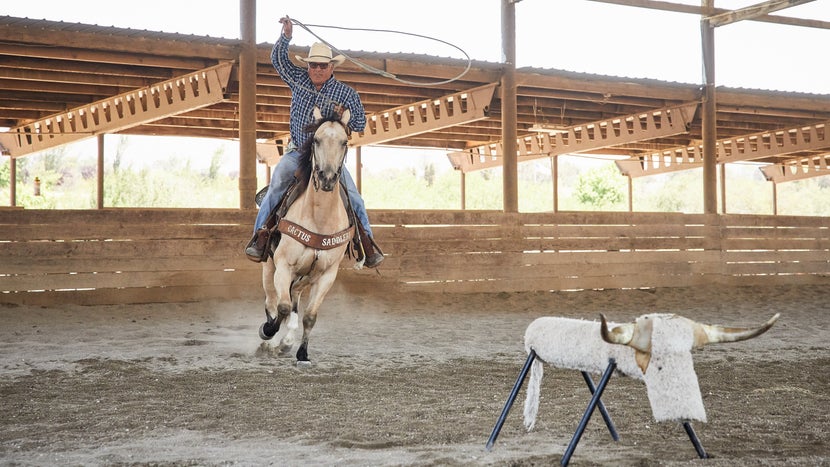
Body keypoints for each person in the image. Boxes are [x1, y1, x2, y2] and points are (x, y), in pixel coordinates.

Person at [245, 15, 384, 268]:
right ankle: (260, 239)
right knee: (275, 188)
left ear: (332, 67)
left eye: (322, 65)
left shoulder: (347, 93)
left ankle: (367, 244)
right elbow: (277, 59)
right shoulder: (299, 79)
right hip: (297, 152)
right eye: (313, 65)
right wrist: (286, 36)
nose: (317, 70)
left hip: (329, 159)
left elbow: (361, 124)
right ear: (307, 66)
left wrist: (344, 119)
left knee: (354, 198)